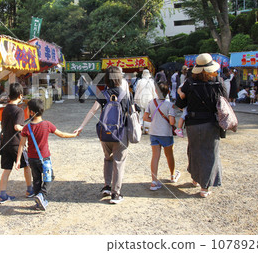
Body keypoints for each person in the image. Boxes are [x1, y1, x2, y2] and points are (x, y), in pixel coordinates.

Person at [75, 66, 131, 204]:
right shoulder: (125, 94)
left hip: (104, 133)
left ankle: (107, 186)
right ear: (119, 78)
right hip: (120, 134)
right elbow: (132, 113)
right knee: (119, 161)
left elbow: (93, 110)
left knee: (108, 158)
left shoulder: (103, 94)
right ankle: (115, 194)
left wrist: (81, 126)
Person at [176, 53, 226, 198]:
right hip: (211, 122)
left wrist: (180, 93)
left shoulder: (189, 83)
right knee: (210, 153)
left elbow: (180, 105)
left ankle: (195, 178)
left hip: (193, 123)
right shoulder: (218, 82)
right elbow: (224, 102)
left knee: (194, 150)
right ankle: (205, 187)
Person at [15, 98, 78, 210]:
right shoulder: (47, 124)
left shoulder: (27, 127)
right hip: (44, 158)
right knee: (50, 177)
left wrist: (18, 160)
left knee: (37, 179)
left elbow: (21, 145)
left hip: (32, 159)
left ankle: (39, 200)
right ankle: (42, 195)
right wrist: (74, 135)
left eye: (28, 109)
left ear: (32, 112)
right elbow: (62, 134)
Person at [0, 83, 33, 204]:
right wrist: (27, 129)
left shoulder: (5, 109)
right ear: (20, 95)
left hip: (5, 143)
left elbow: (3, 125)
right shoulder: (19, 110)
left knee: (7, 169)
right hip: (16, 144)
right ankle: (29, 190)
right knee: (26, 166)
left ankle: (2, 194)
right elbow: (17, 126)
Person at [143, 82, 180, 191]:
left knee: (155, 156)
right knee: (169, 155)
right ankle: (172, 175)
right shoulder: (170, 105)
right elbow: (172, 122)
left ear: (156, 91)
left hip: (154, 132)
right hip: (165, 133)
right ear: (168, 92)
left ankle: (154, 182)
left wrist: (153, 120)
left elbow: (145, 117)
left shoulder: (151, 103)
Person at [134, 69, 158, 134]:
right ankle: (147, 128)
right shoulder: (151, 82)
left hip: (141, 98)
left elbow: (137, 91)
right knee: (148, 113)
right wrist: (155, 99)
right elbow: (154, 91)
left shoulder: (140, 81)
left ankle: (140, 126)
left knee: (141, 113)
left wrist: (135, 99)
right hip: (149, 98)